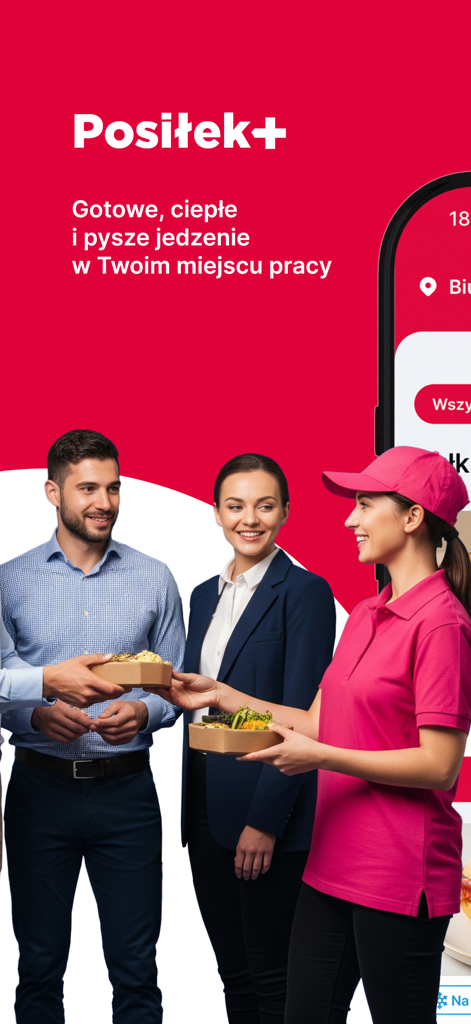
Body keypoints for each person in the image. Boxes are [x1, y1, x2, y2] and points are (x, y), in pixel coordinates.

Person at [150, 447, 471, 1024]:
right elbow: (314, 721)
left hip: (398, 872)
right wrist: (221, 695)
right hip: (331, 861)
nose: (350, 518)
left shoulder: (443, 623)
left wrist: (318, 758)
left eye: (365, 504)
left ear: (413, 518)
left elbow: (440, 765)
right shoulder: (369, 612)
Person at [0, 429, 185, 1024]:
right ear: (53, 492)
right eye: (87, 488)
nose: (102, 501)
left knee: (136, 970)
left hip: (126, 792)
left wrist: (146, 710)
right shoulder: (9, 581)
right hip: (38, 792)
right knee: (39, 967)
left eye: (112, 487)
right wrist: (33, 709)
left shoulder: (155, 578)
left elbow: (174, 686)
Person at [180, 453, 335, 1024]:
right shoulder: (202, 595)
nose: (250, 518)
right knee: (234, 975)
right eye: (236, 505)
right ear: (217, 512)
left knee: (273, 977)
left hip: (266, 814)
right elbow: (200, 695)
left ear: (286, 513)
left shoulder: (305, 592)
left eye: (265, 505)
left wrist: (267, 821)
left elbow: (303, 716)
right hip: (204, 809)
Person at [0, 607, 127, 870]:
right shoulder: (9, 577)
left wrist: (45, 695)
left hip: (125, 786)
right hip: (36, 782)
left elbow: (4, 656)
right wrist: (47, 683)